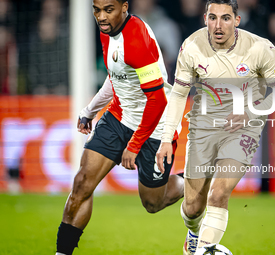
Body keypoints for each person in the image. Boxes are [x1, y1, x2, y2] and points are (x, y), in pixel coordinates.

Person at [156, 0, 275, 254]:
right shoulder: (192, 47)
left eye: (225, 18)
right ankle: (194, 234)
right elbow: (178, 95)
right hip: (203, 127)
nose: (218, 25)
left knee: (219, 193)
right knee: (192, 207)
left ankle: (206, 250)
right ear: (205, 19)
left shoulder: (261, 48)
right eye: (212, 17)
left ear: (237, 20)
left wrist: (251, 112)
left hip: (243, 129)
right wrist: (167, 139)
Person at [55, 0, 184, 254]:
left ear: (124, 7)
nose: (101, 17)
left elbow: (157, 101)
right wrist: (89, 111)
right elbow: (114, 77)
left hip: (155, 125)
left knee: (152, 204)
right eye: (96, 9)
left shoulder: (135, 40)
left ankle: (189, 181)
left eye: (108, 10)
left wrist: (134, 145)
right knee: (82, 183)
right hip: (119, 117)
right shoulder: (108, 32)